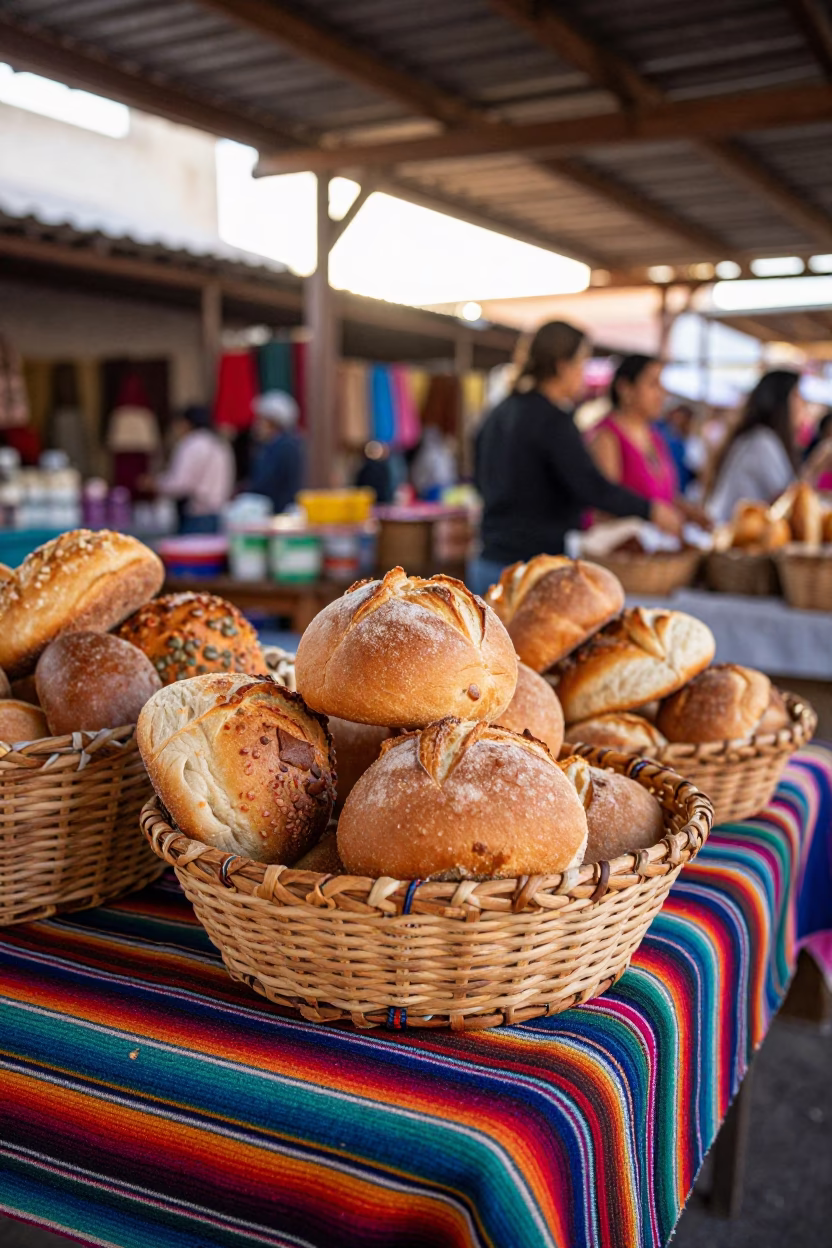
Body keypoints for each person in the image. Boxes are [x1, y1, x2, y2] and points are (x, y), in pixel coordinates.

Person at [472, 322, 683, 594]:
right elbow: (591, 487)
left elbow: (478, 480)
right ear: (562, 366)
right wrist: (650, 510)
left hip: (487, 560)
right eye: (582, 363)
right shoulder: (553, 420)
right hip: (532, 570)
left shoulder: (499, 412)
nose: (584, 375)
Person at [708, 370, 804, 523]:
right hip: (731, 534)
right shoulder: (761, 441)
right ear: (781, 402)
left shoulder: (758, 437)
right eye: (797, 396)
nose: (802, 405)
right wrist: (817, 466)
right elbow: (789, 501)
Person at [590, 355, 679, 504]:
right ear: (625, 389)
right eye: (653, 384)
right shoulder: (606, 437)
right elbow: (606, 503)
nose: (662, 393)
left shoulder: (655, 437)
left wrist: (685, 509)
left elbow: (664, 497)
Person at [149, 405, 234, 534]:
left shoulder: (191, 444)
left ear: (186, 423)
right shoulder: (219, 444)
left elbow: (181, 483)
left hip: (196, 515)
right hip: (217, 514)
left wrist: (156, 484)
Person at [246, 390, 304, 513]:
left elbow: (267, 482)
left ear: (273, 423)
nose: (256, 425)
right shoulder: (275, 445)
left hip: (278, 511)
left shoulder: (283, 447)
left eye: (261, 421)